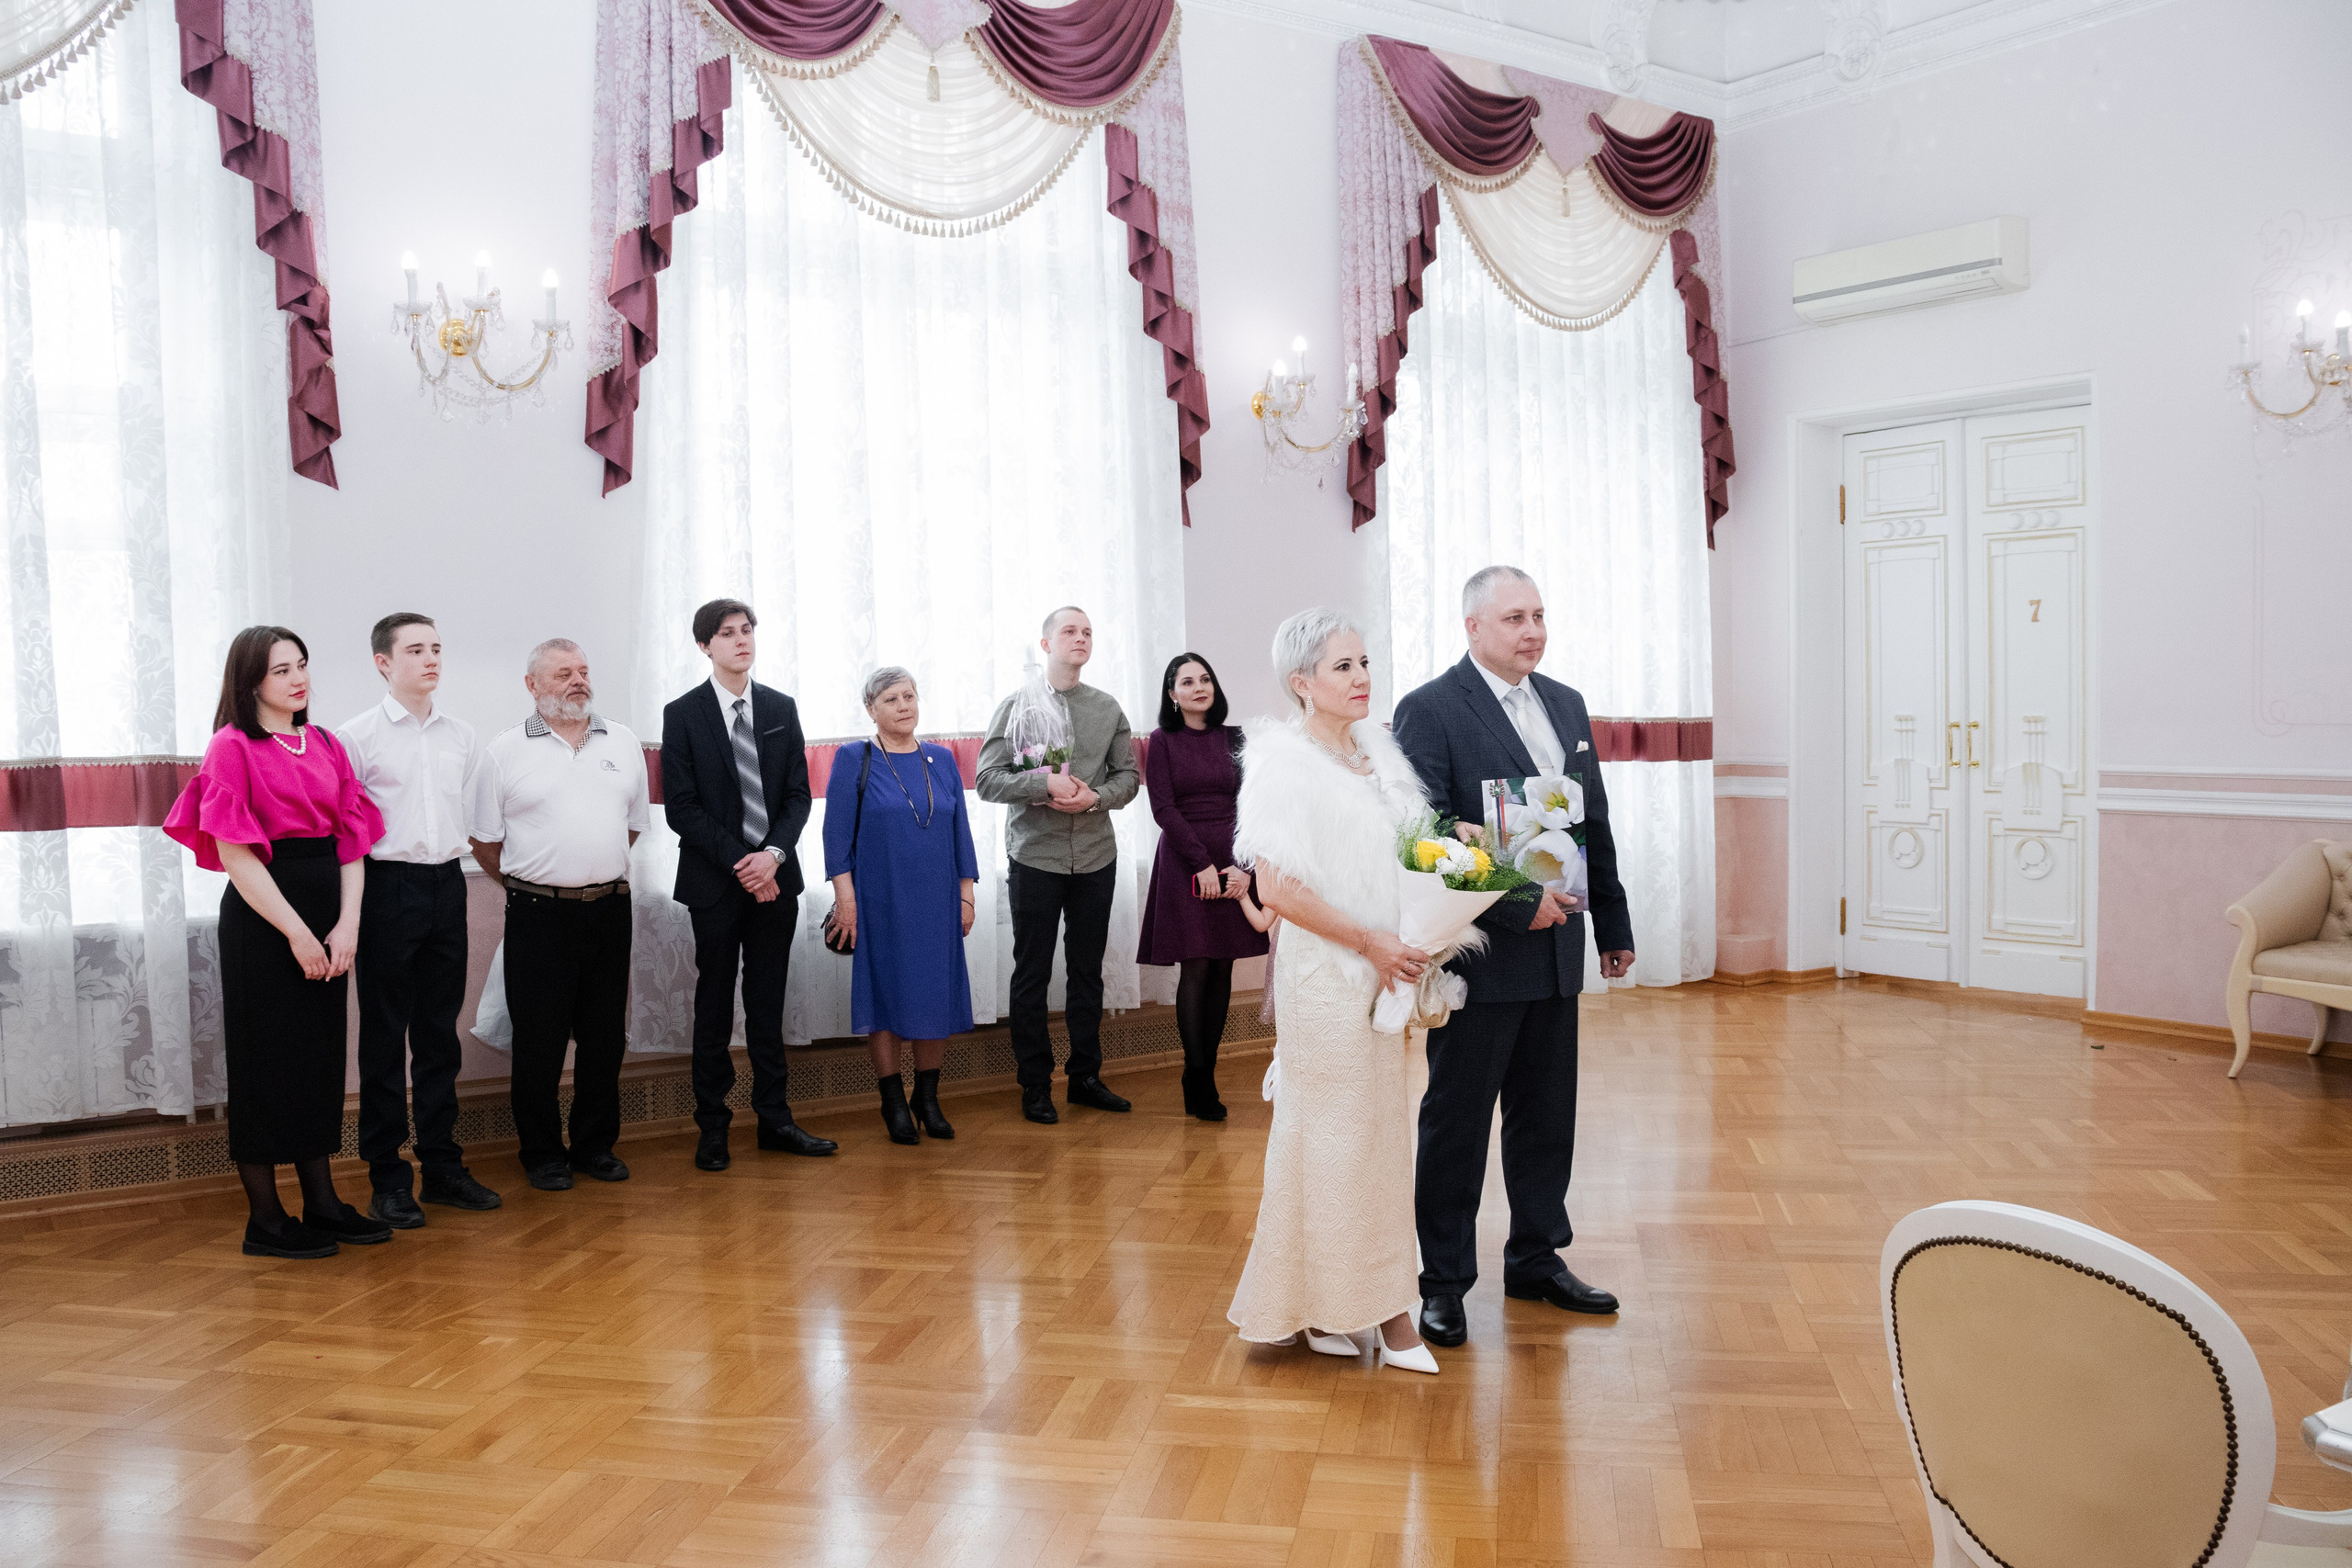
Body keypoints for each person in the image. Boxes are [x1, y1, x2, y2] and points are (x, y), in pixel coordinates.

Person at [1392, 565, 1634, 1349]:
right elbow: (1426, 840)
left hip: (1559, 952)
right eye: (1513, 618)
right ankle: (1444, 1282)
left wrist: (1613, 925)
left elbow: (1591, 821)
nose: (1532, 630)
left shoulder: (1564, 702)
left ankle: (1536, 1257)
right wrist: (1521, 904)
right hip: (1482, 956)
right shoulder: (1429, 710)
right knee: (1456, 1126)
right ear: (1472, 627)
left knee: (1545, 1119)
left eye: (1539, 615)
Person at [1226, 607, 1441, 1374]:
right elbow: (1276, 886)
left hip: (1387, 970)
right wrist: (1370, 940)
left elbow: (1409, 855)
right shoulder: (1282, 764)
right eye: (1343, 666)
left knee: (1378, 1138)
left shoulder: (1377, 753)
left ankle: (1324, 1304)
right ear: (1301, 683)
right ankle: (1385, 1313)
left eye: (1364, 662)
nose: (1361, 678)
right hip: (1326, 974)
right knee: (1339, 1139)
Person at [164, 626, 393, 1259]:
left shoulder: (323, 742)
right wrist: (296, 932)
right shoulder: (231, 746)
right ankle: (264, 1219)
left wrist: (346, 924)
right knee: (268, 1065)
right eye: (281, 670)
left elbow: (352, 841)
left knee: (318, 1062)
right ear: (251, 683)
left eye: (302, 665)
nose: (299, 679)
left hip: (327, 916)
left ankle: (321, 1202)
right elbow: (236, 855)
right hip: (267, 924)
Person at [660, 598, 836, 1171]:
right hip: (716, 884)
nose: (741, 641)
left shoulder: (781, 707)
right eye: (728, 634)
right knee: (713, 1005)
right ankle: (713, 1128)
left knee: (768, 1002)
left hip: (776, 880)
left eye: (747, 631)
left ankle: (776, 1121)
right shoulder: (682, 713)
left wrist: (774, 858)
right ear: (705, 646)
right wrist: (746, 863)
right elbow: (682, 809)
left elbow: (796, 797)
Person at [338, 614, 503, 1227]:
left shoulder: (462, 736)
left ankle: (442, 1167)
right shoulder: (356, 738)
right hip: (386, 887)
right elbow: (345, 836)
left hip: (446, 885)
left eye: (436, 648)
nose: (431, 659)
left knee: (439, 1037)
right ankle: (387, 1178)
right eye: (416, 649)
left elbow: (482, 824)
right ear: (383, 661)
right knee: (384, 1039)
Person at [468, 638, 650, 1192]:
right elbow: (484, 842)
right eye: (564, 672)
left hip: (609, 911)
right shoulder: (503, 751)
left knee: (603, 1038)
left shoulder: (622, 740)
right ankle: (542, 1153)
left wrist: (590, 869)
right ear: (533, 685)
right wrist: (533, 883)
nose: (578, 680)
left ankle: (595, 1145)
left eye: (583, 671)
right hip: (537, 916)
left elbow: (633, 826)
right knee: (539, 1040)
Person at [975, 606, 1141, 1124]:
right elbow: (987, 780)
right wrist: (1042, 784)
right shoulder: (1016, 706)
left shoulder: (1107, 708)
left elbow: (1129, 778)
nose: (1081, 638)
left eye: (1088, 631)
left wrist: (1095, 798)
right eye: (1069, 631)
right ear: (1045, 644)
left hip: (1096, 857)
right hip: (1036, 858)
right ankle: (1034, 1084)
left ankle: (1086, 1077)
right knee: (1031, 974)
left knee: (1087, 974)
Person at [822, 668, 980, 1144]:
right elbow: (835, 838)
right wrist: (845, 900)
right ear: (871, 709)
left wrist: (966, 894)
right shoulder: (855, 758)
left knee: (934, 994)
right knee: (885, 997)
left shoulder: (941, 759)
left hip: (937, 900)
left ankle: (927, 1099)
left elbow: (961, 833)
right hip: (880, 901)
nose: (904, 705)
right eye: (891, 699)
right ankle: (893, 1101)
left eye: (909, 696)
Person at [1136, 651, 1266, 1121]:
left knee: (1223, 968)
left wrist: (1243, 867)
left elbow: (1253, 805)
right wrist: (1201, 865)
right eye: (1187, 681)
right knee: (1196, 968)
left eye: (1205, 678)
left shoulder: (1237, 738)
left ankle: (1205, 1067)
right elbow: (1164, 809)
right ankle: (1197, 1077)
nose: (1199, 687)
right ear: (1172, 695)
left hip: (1234, 859)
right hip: (1185, 862)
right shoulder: (1162, 741)